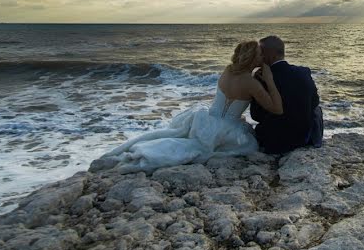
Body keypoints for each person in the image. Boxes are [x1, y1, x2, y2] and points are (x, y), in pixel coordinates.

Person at [90, 40, 283, 173]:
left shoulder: (228, 71)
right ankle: (149, 155)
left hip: (205, 119)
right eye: (259, 54)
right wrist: (270, 80)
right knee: (241, 145)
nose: (262, 57)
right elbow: (277, 109)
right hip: (227, 128)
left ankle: (137, 149)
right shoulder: (252, 83)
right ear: (252, 58)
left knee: (175, 137)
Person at [250, 35, 323, 155]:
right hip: (302, 139)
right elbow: (314, 102)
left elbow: (255, 116)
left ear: (271, 55)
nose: (259, 56)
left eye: (261, 53)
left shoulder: (262, 79)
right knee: (316, 109)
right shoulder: (303, 72)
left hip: (273, 142)